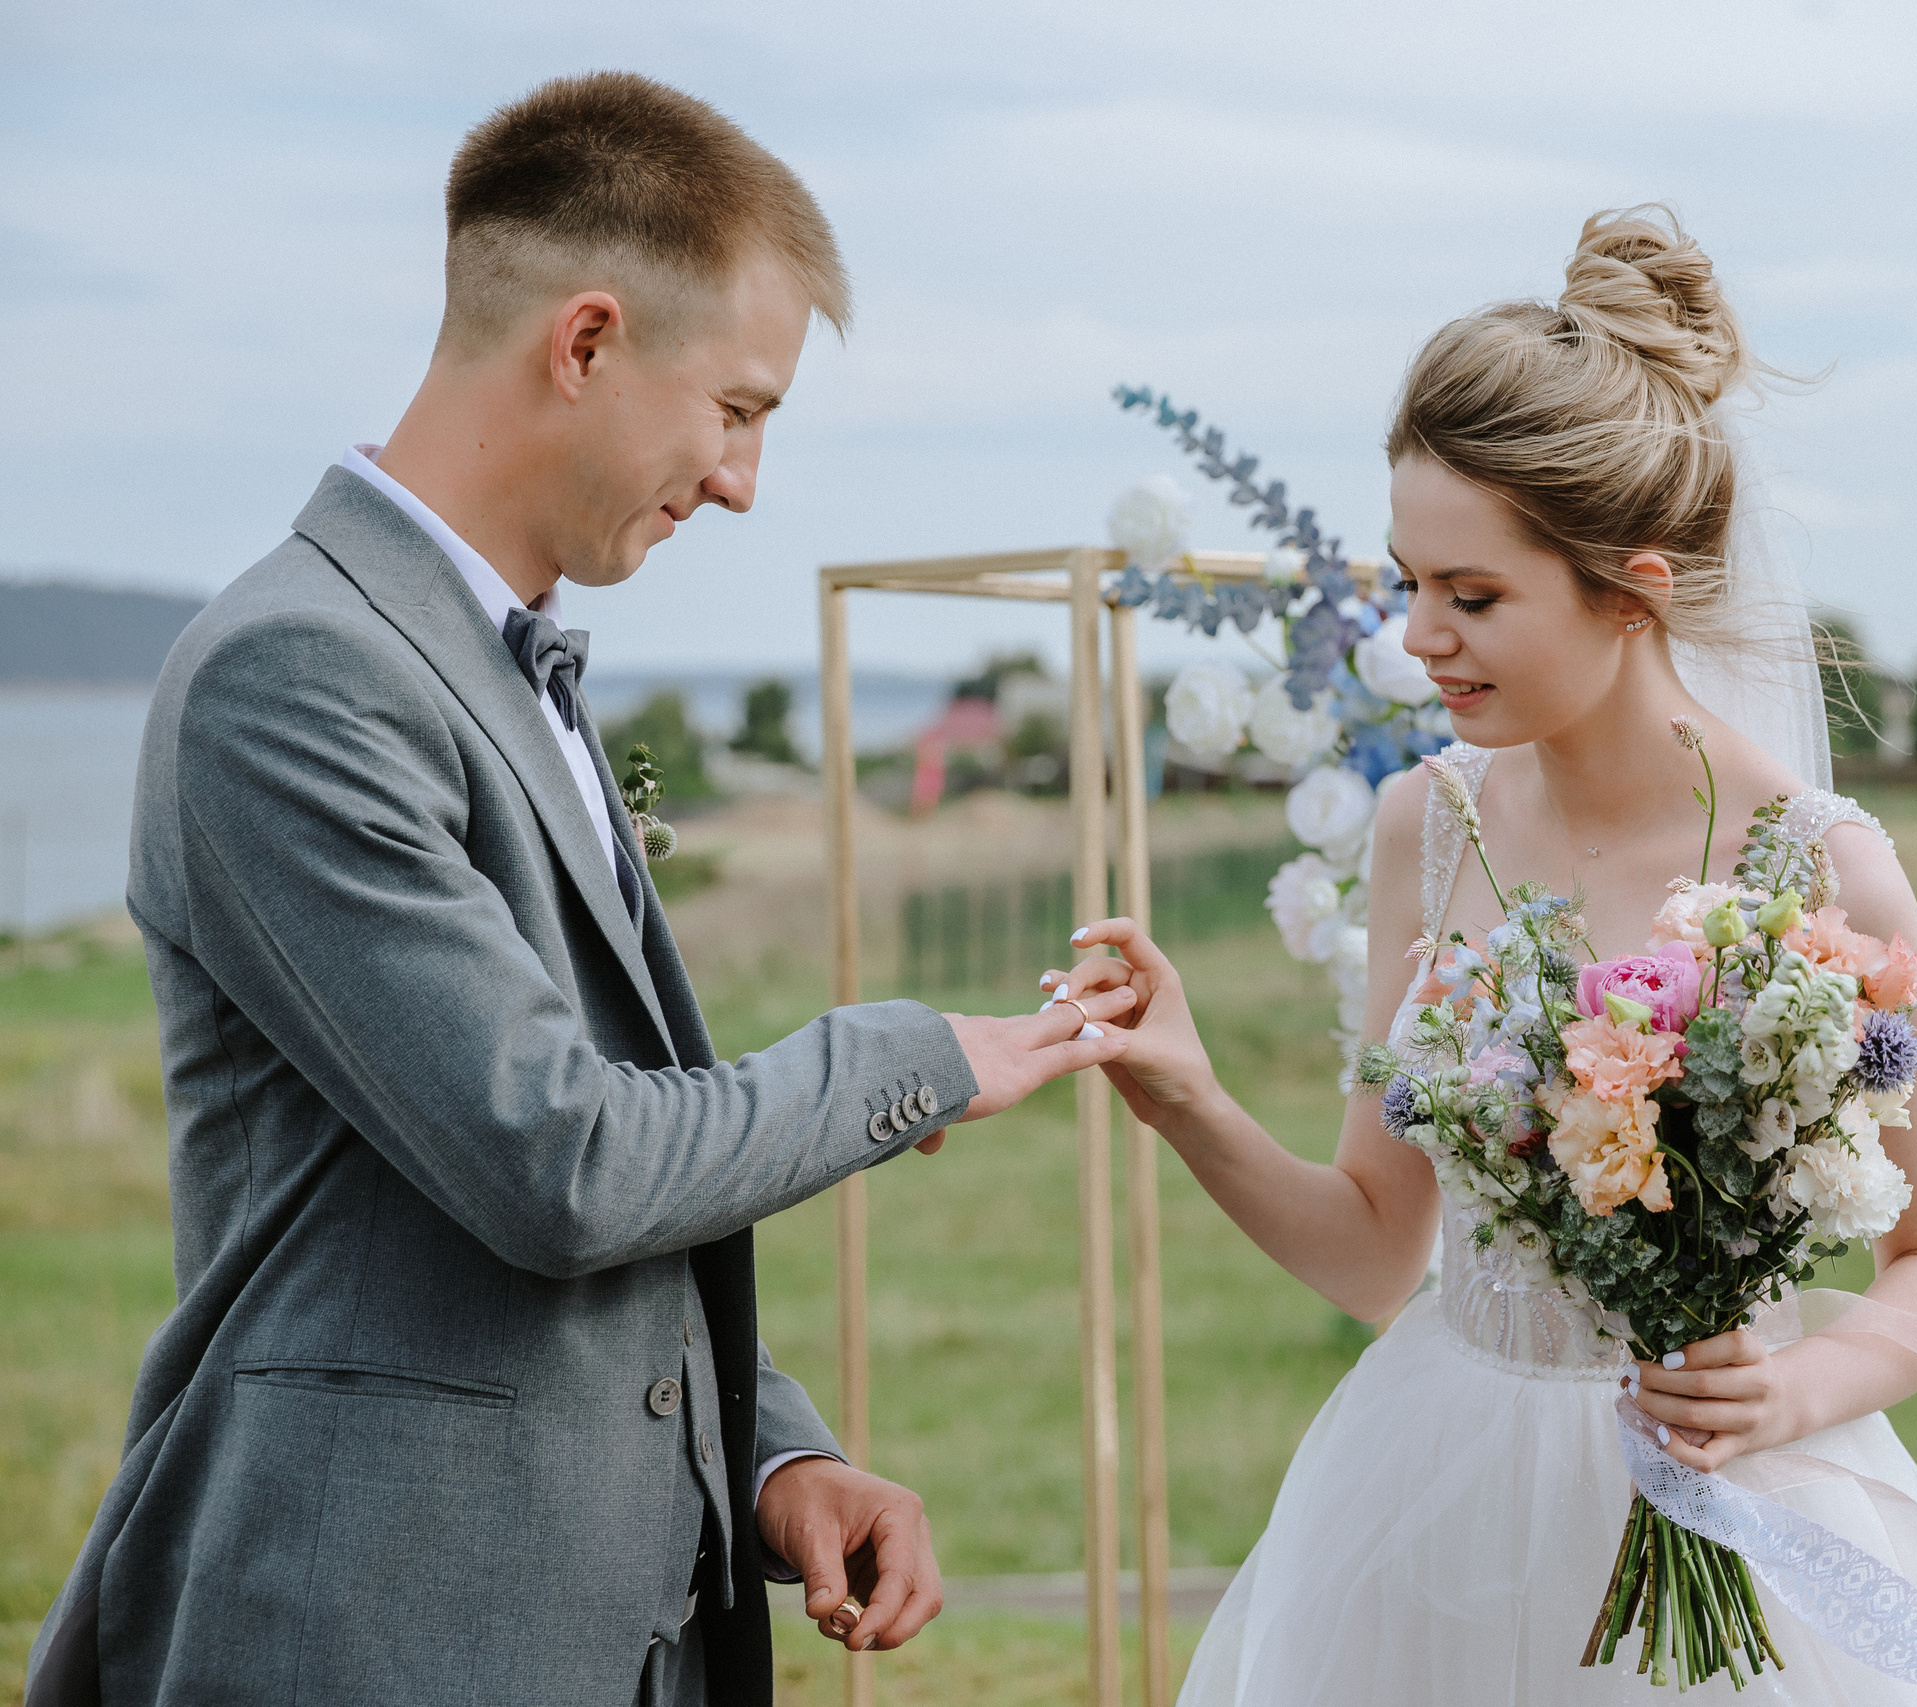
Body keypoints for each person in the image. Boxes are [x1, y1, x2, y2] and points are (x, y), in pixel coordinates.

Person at [21, 72, 1132, 1707]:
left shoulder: (490, 658)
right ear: (588, 340)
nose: (746, 480)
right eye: (739, 410)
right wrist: (919, 1058)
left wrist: (772, 1463)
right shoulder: (297, 674)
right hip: (377, 1634)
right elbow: (560, 1161)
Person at [1044, 209, 1917, 1703]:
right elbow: (1372, 1251)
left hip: (1740, 1498)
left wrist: (1787, 1391)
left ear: (1632, 583)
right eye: (1408, 581)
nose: (1416, 639)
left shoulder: (1819, 868)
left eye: (1472, 597)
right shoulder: (1427, 827)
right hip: (1437, 1503)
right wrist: (1185, 1093)